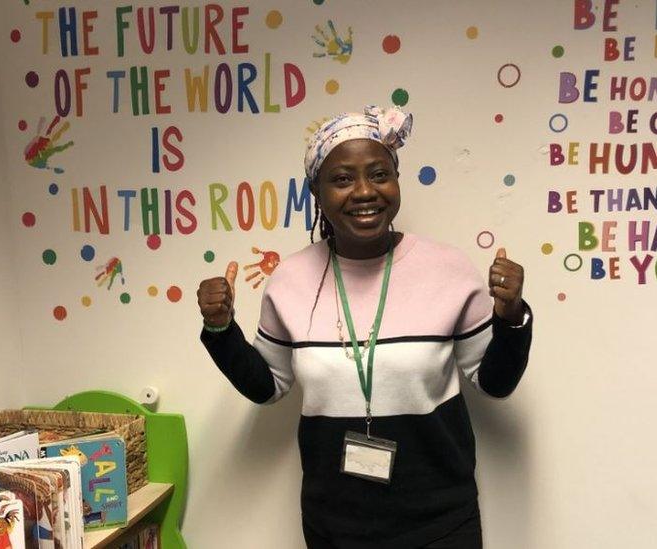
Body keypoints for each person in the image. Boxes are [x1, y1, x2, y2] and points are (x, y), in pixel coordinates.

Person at [197, 106, 533, 549]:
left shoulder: (448, 269)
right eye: (341, 179)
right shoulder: (290, 280)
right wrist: (220, 329)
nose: (364, 192)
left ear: (396, 180)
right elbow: (267, 387)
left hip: (441, 521)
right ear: (316, 192)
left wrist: (511, 318)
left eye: (379, 174)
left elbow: (494, 383)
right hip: (334, 523)